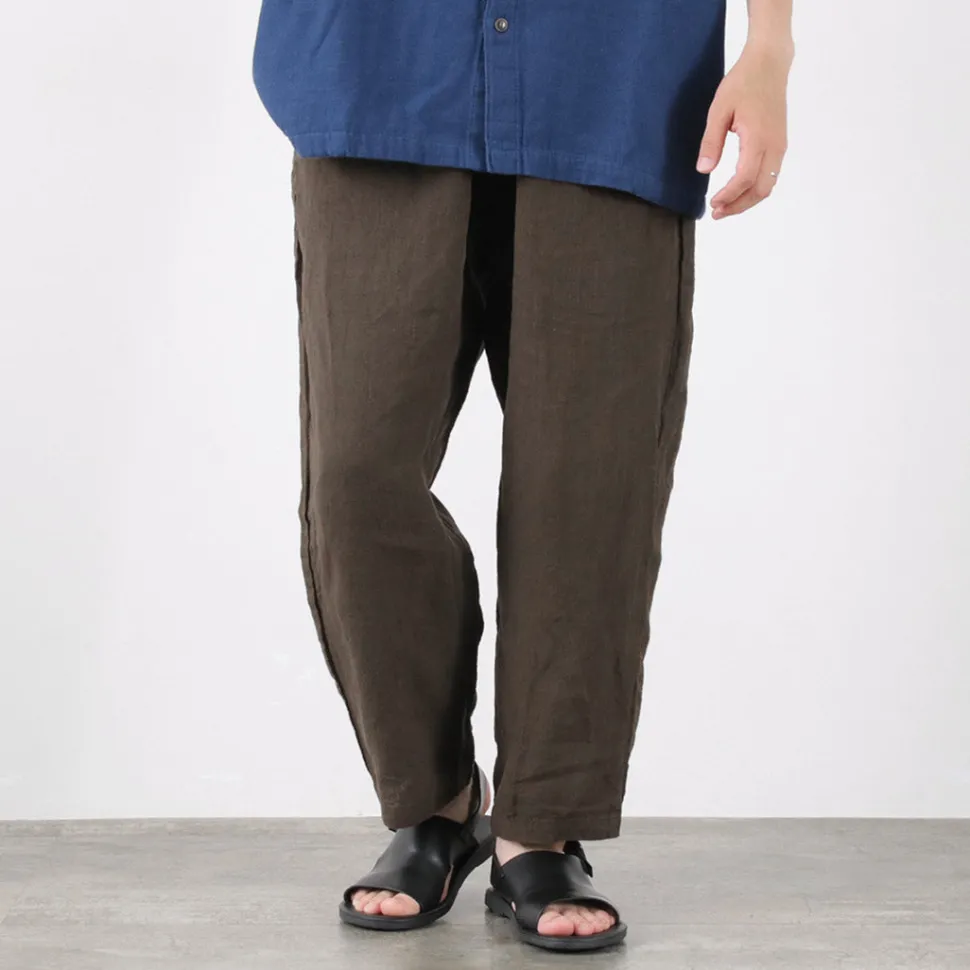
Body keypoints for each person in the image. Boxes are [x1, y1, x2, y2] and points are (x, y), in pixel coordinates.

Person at [253, 0, 792, 953]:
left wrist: (770, 45)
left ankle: (540, 828)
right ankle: (441, 801)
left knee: (587, 488)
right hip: (378, 61)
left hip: (614, 72)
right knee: (356, 479)